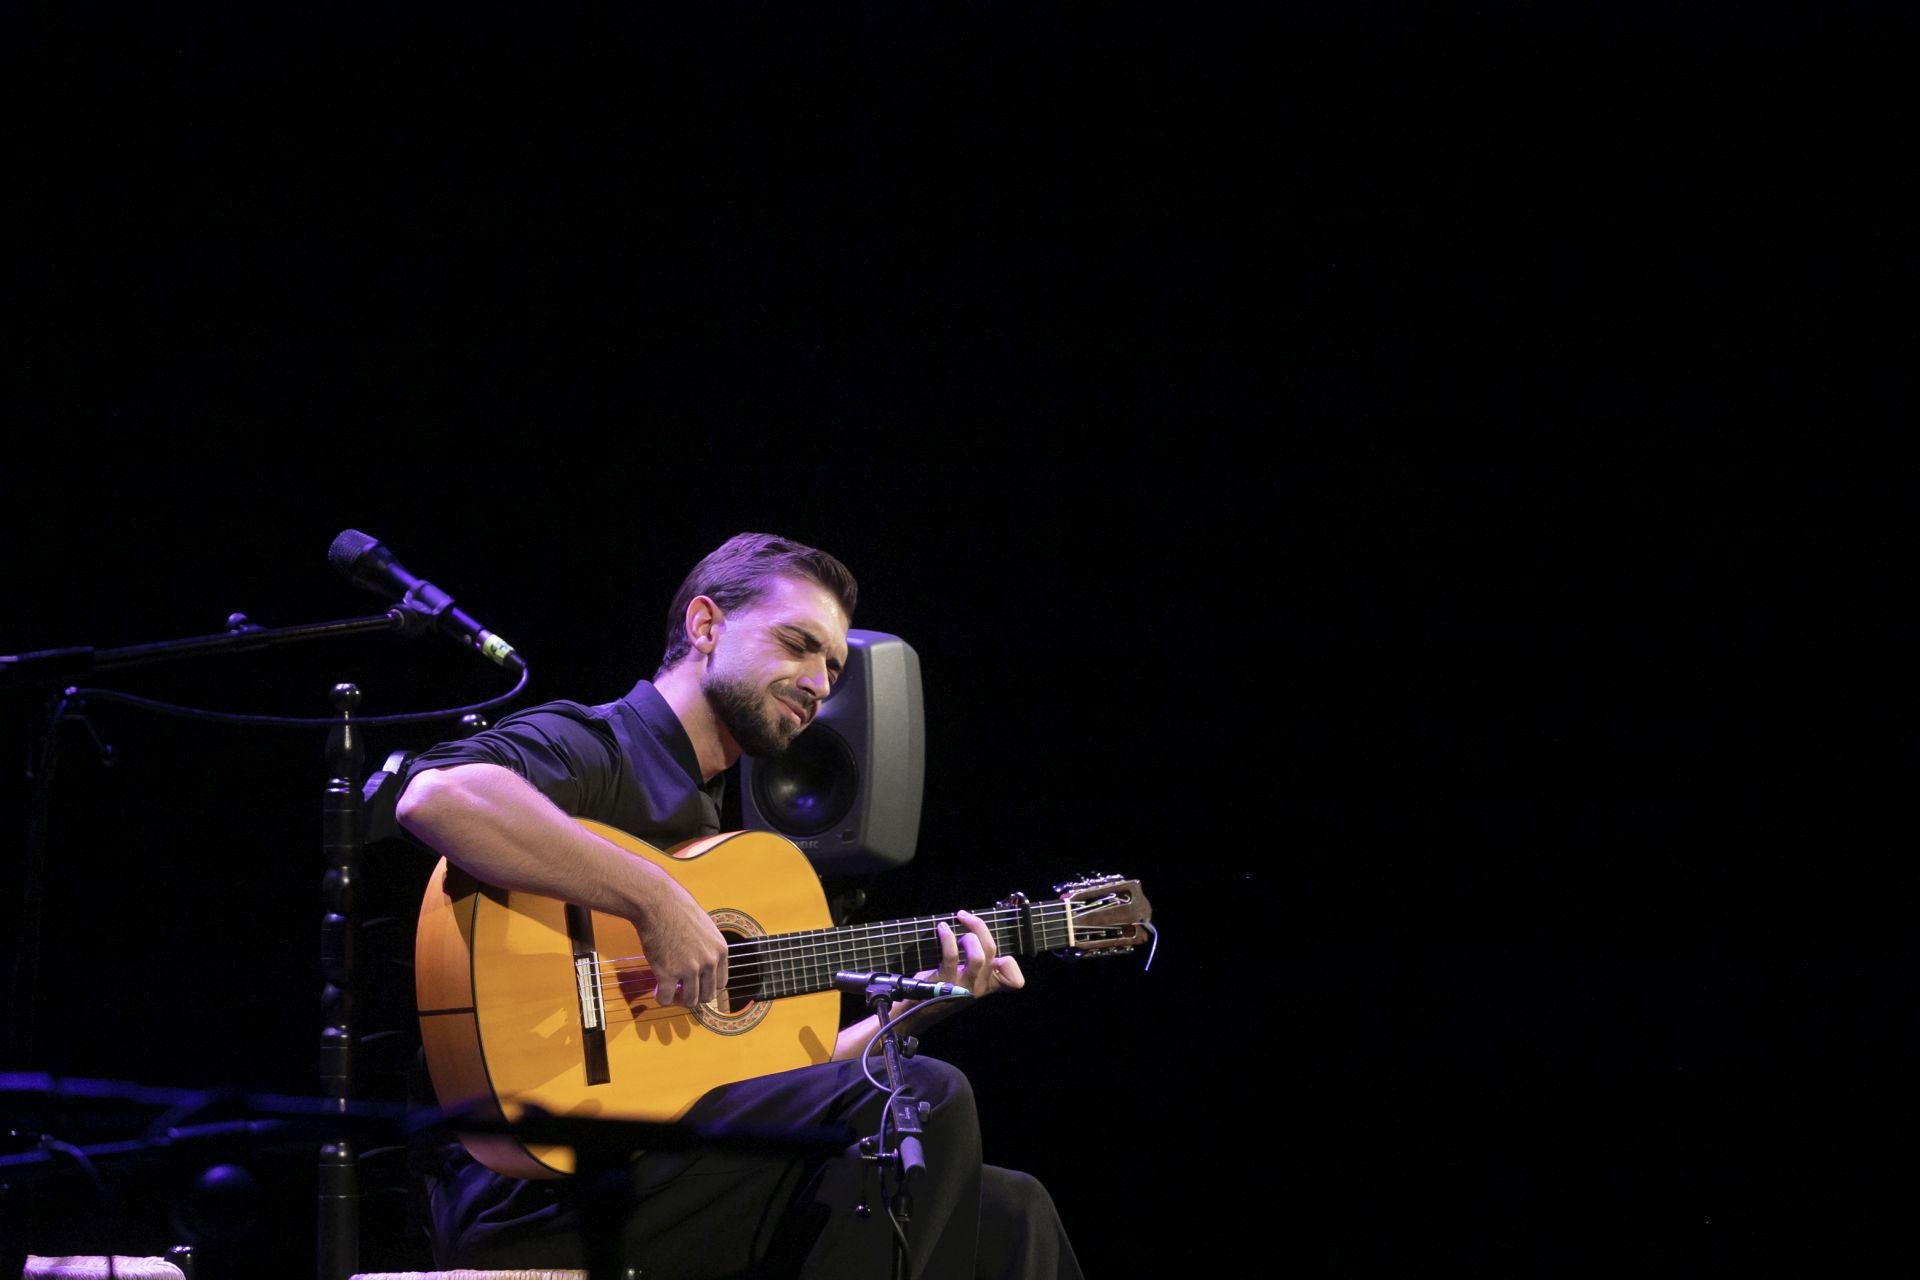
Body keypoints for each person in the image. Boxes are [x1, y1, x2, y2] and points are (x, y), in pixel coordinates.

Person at [392, 531, 1083, 1278]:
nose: (820, 682)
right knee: (929, 1094)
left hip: (671, 1164)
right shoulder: (600, 743)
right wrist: (655, 898)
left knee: (1015, 1208)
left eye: (833, 665)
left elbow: (770, 1076)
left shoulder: (724, 837)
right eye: (798, 644)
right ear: (706, 626)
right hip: (535, 1188)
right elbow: (440, 794)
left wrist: (906, 1016)